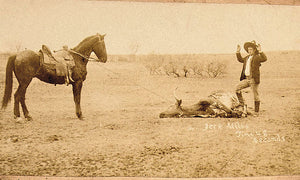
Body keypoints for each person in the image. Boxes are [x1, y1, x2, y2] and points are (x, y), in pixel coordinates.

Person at [235, 40, 267, 116]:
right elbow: (240, 60)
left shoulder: (257, 57)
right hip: (246, 79)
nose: (249, 51)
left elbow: (264, 59)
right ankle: (242, 105)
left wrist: (260, 51)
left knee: (255, 95)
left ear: (254, 50)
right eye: (248, 49)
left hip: (253, 79)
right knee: (237, 88)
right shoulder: (247, 58)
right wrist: (238, 52)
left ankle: (256, 112)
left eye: (251, 49)